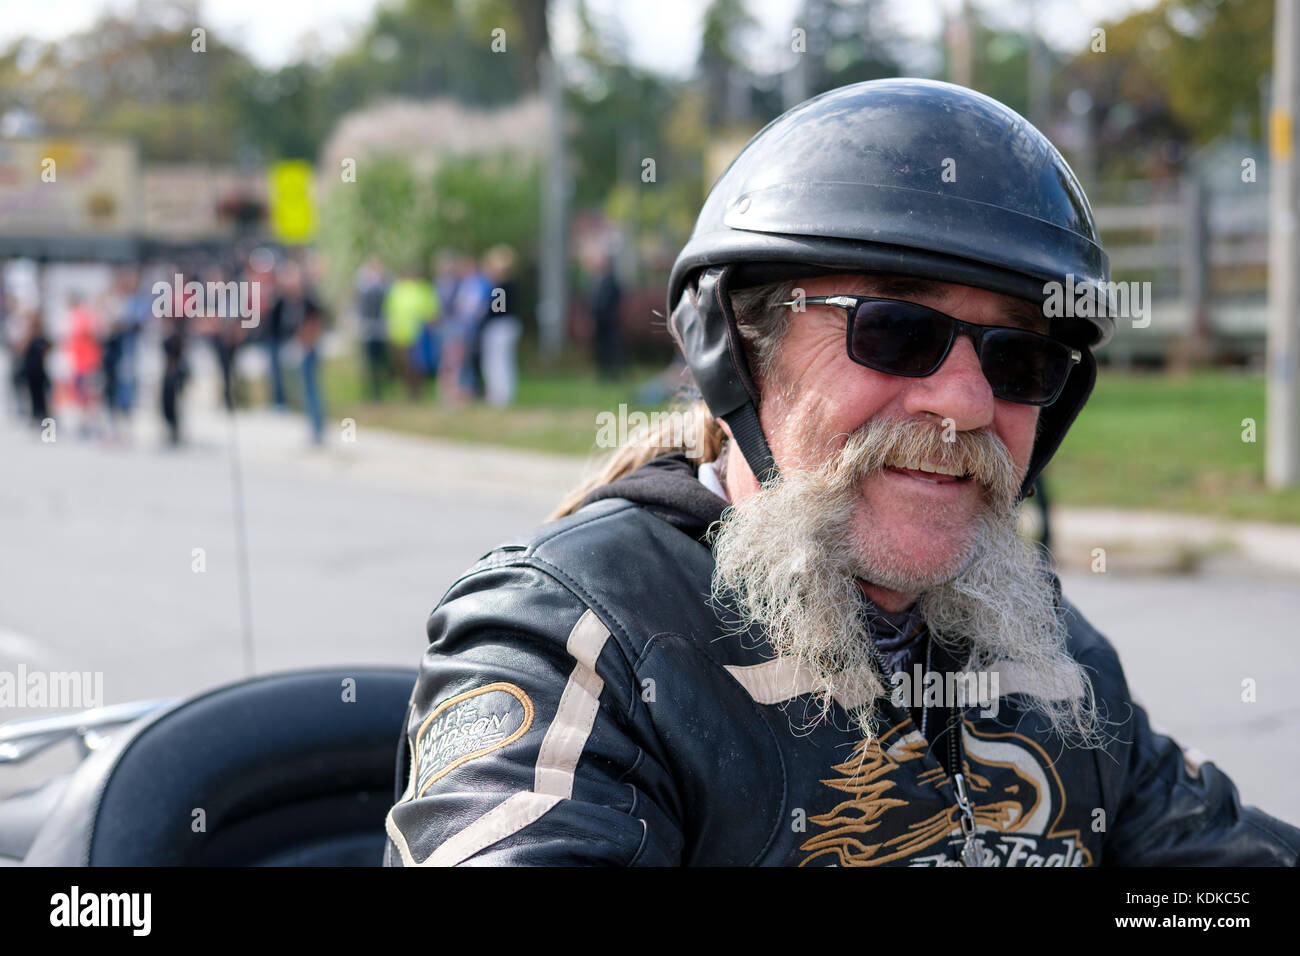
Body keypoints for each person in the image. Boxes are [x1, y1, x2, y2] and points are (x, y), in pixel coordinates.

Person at [383, 79, 1300, 867]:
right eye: (897, 331)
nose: (967, 405)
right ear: (741, 352)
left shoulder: (1051, 660)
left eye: (1019, 359)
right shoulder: (574, 646)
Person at [382, 266, 439, 400]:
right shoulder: (397, 289)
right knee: (405, 365)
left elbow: (432, 309)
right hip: (401, 334)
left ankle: (417, 390)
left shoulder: (422, 289)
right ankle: (409, 390)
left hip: (418, 333)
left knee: (417, 364)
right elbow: (389, 311)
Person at [478, 245, 523, 408]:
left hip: (500, 327)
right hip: (504, 326)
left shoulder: (502, 287)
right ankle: (500, 393)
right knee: (500, 361)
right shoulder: (507, 285)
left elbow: (497, 310)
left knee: (498, 361)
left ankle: (500, 395)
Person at [355, 258, 391, 401]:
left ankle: (380, 390)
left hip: (380, 329)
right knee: (369, 362)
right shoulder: (363, 288)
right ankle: (370, 391)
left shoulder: (385, 287)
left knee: (381, 360)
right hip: (368, 328)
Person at [588, 249, 624, 380]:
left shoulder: (612, 281)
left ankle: (614, 375)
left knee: (612, 350)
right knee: (600, 350)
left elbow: (616, 300)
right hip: (599, 323)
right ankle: (602, 374)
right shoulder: (595, 281)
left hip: (610, 323)